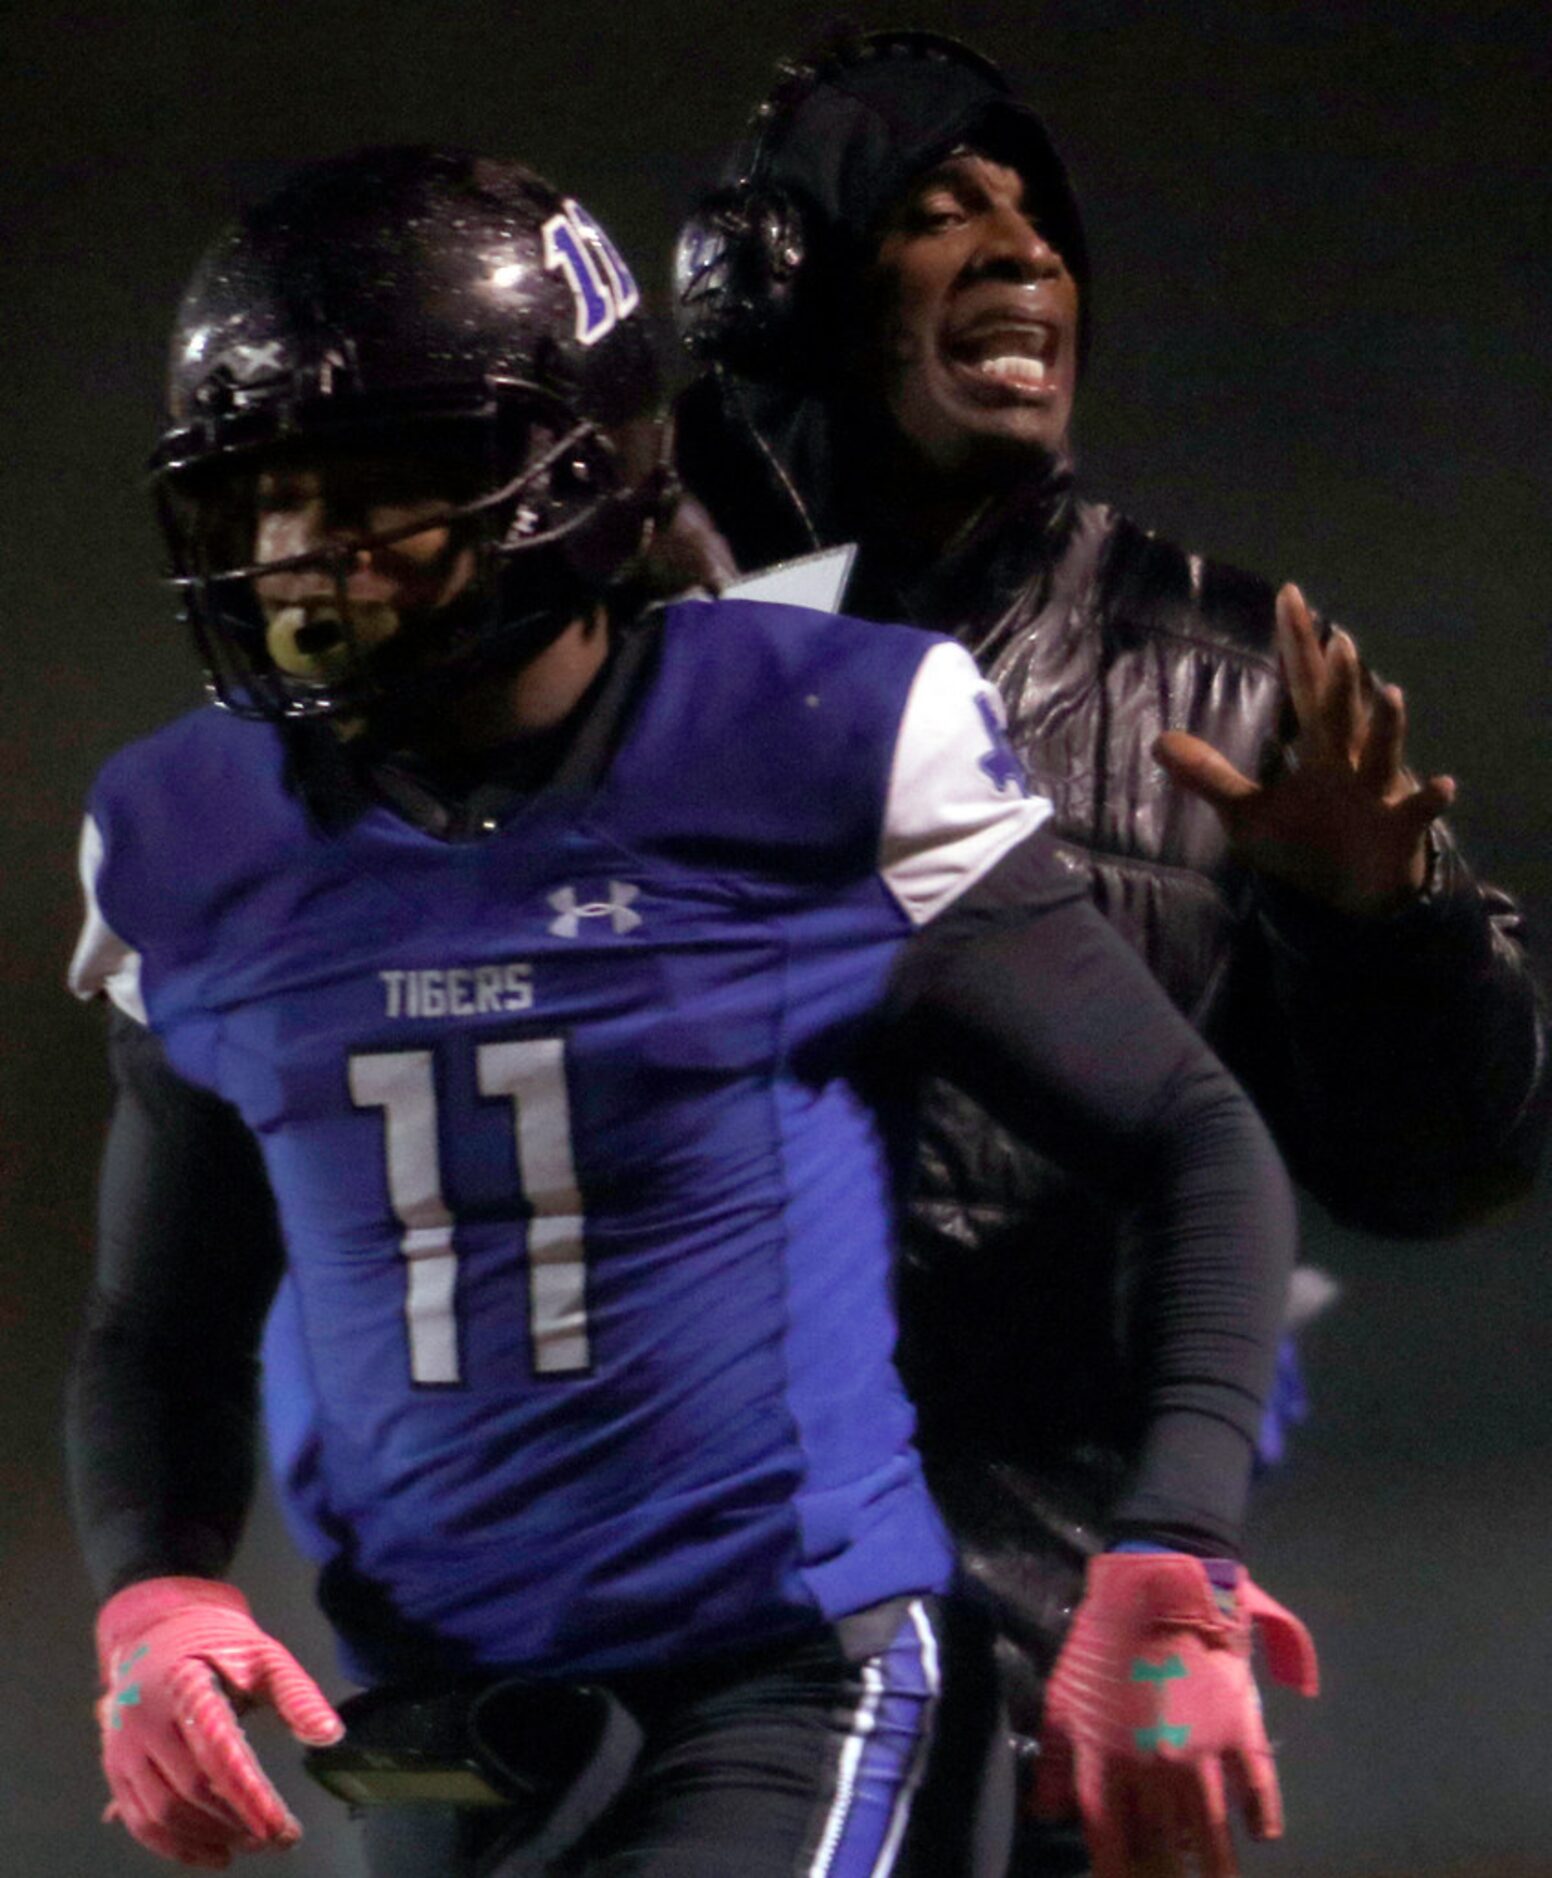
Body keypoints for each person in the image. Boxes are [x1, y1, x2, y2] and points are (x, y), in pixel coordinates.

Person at [64, 146, 1317, 1878]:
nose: (301, 555)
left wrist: (1169, 1554)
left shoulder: (803, 738)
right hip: (430, 1730)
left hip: (785, 1670)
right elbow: (159, 1315)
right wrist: (157, 1586)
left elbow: (1190, 1134)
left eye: (364, 491)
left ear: (560, 478)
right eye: (266, 498)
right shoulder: (190, 832)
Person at [672, 25, 1548, 1873]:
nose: (1022, 252)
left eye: (1039, 217)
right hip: (673, 1645)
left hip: (1055, 1656)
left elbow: (1444, 1170)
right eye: (936, 207)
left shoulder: (1220, 671)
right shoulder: (622, 645)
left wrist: (1385, 930)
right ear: (791, 285)